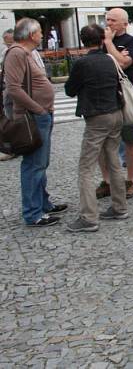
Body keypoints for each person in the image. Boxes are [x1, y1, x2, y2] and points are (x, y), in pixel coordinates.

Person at [63, 24, 128, 232]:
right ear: (102, 39)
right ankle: (120, 207)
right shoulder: (110, 59)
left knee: (86, 167)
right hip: (116, 113)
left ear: (83, 42)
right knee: (114, 162)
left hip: (97, 117)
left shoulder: (82, 63)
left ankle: (89, 217)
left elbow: (69, 90)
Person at [5, 18, 66, 227]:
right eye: (40, 32)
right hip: (33, 116)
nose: (42, 35)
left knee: (41, 163)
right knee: (34, 165)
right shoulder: (17, 53)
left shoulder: (25, 53)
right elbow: (13, 88)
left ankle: (43, 203)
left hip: (41, 114)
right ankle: (33, 212)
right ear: (31, 35)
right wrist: (38, 108)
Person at [96, 8, 133, 199]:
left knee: (130, 139)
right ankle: (107, 181)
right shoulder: (101, 42)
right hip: (104, 97)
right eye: (107, 20)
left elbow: (124, 63)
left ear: (124, 23)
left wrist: (108, 43)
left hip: (124, 97)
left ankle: (131, 180)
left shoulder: (131, 42)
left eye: (113, 20)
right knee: (102, 142)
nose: (109, 23)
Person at [0, 28, 16, 161]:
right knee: (9, 118)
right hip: (8, 89)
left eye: (10, 43)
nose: (8, 46)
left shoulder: (24, 51)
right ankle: (12, 147)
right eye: (6, 43)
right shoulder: (5, 52)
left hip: (18, 89)